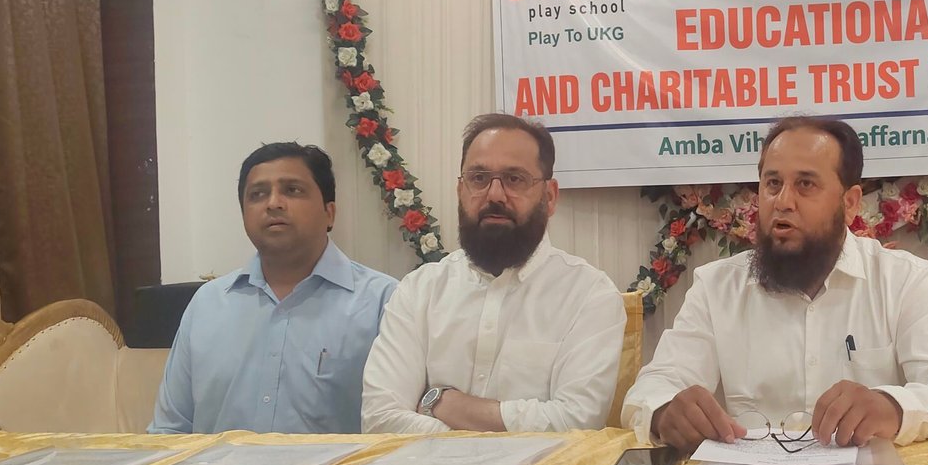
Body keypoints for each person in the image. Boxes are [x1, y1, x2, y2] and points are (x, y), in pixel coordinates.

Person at [622, 116, 928, 452]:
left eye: (805, 184)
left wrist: (893, 407)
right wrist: (665, 412)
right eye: (772, 184)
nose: (783, 202)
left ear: (850, 203)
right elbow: (651, 389)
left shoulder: (903, 280)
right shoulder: (716, 287)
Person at [361, 114, 624, 433]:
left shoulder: (589, 294)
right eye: (479, 178)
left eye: (514, 179)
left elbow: (576, 421)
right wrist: (479, 437)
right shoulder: (419, 290)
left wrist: (442, 404)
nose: (495, 194)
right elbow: (379, 418)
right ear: (460, 190)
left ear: (550, 196)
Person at [149, 143, 397, 434]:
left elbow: (401, 429)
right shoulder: (208, 304)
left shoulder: (382, 302)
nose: (273, 203)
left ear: (329, 213)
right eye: (257, 194)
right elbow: (170, 431)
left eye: (292, 190)